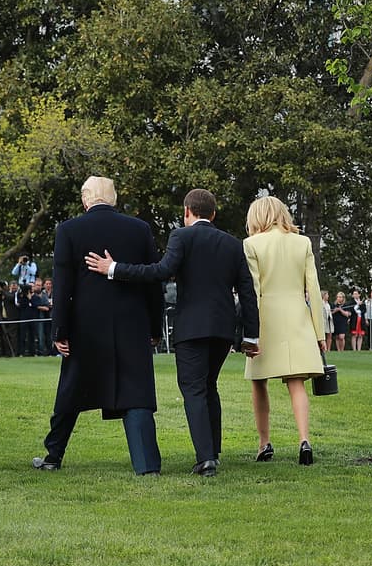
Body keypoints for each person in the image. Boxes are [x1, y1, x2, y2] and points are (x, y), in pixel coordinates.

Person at [84, 188, 259, 477]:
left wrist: (113, 268)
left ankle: (206, 459)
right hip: (223, 328)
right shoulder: (232, 243)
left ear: (187, 212)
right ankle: (212, 449)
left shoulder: (181, 236)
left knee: (192, 389)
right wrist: (251, 335)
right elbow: (247, 292)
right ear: (213, 214)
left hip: (192, 327)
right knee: (209, 386)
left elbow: (160, 271)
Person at [35, 176, 164, 476]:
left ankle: (53, 455)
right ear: (114, 198)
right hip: (132, 324)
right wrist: (154, 328)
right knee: (137, 393)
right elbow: (153, 283)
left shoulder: (68, 230)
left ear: (85, 200)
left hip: (85, 327)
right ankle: (147, 466)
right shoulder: (140, 229)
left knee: (71, 391)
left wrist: (59, 331)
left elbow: (63, 285)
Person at [241, 195, 325, 466]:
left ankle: (264, 442)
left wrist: (247, 332)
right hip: (297, 317)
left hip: (265, 319)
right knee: (296, 382)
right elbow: (312, 289)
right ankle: (304, 440)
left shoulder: (251, 244)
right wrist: (320, 333)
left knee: (258, 382)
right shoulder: (302, 243)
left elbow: (252, 290)